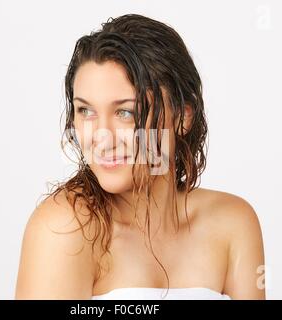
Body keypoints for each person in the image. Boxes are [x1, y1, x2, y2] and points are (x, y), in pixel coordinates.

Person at [15, 14, 266, 300]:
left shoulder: (233, 223)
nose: (101, 137)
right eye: (86, 110)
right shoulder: (65, 229)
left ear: (183, 116)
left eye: (125, 112)